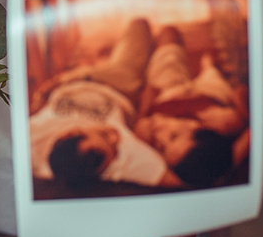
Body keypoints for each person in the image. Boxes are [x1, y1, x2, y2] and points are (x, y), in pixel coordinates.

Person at [29, 19, 183, 192]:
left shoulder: (32, 141)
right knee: (158, 32)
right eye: (114, 149)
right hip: (120, 86)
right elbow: (178, 186)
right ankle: (104, 57)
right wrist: (141, 115)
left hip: (75, 81)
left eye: (103, 134)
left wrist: (42, 98)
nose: (116, 137)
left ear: (68, 134)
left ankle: (99, 58)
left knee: (139, 26)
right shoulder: (115, 164)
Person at [135, 26, 249, 188]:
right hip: (209, 93)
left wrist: (145, 110)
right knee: (211, 67)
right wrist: (240, 106)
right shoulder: (227, 124)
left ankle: (198, 66)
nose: (160, 136)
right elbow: (252, 125)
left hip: (168, 93)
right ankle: (208, 68)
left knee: (169, 33)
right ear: (200, 128)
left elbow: (148, 95)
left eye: (162, 148)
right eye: (173, 136)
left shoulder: (147, 135)